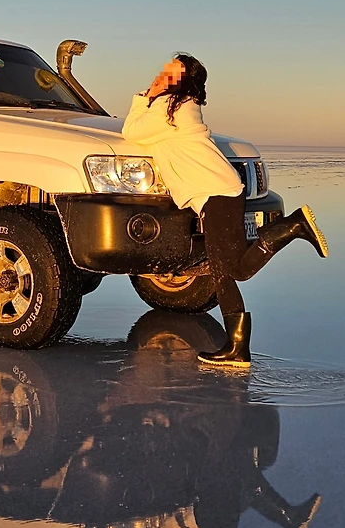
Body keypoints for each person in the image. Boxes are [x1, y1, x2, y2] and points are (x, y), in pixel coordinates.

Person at [122, 53, 328, 366]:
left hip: (216, 193)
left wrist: (143, 96)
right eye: (166, 68)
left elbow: (131, 132)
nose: (164, 73)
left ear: (184, 80)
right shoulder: (180, 105)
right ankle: (237, 349)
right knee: (227, 272)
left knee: (232, 272)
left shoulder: (168, 107)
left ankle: (292, 226)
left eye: (173, 71)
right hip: (218, 192)